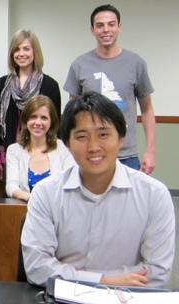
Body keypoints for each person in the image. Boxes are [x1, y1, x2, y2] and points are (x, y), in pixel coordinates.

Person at [21, 92, 175, 288]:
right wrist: (106, 281)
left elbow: (157, 273)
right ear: (67, 144)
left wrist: (69, 274)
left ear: (121, 139)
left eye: (103, 135)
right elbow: (37, 268)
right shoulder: (46, 193)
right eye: (82, 137)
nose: (93, 147)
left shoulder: (154, 195)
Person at [64, 4, 156, 174]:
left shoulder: (135, 63)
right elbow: (71, 113)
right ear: (92, 30)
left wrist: (150, 152)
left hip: (126, 155)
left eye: (111, 24)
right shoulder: (79, 65)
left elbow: (147, 109)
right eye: (100, 25)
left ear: (119, 27)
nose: (106, 30)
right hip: (89, 153)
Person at [0, 29, 61, 181]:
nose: (21, 54)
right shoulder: (2, 84)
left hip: (41, 158)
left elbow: (56, 127)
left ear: (35, 51)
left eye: (26, 49)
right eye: (17, 49)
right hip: (9, 156)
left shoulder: (50, 85)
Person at [5, 95, 74, 201]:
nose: (38, 122)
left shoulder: (64, 148)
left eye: (44, 118)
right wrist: (32, 198)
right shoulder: (14, 150)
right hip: (26, 210)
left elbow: (70, 184)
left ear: (52, 122)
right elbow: (11, 187)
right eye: (33, 117)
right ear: (26, 120)